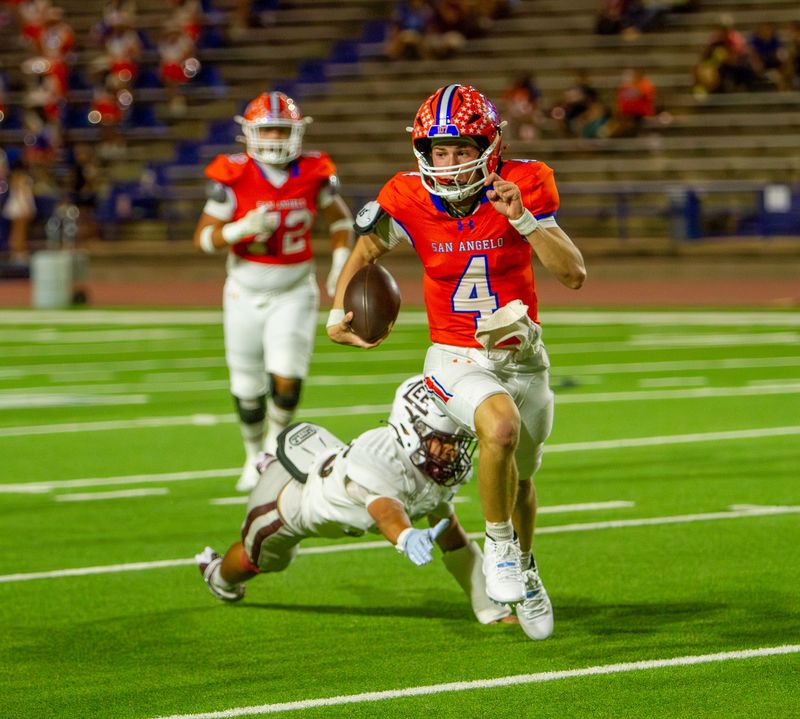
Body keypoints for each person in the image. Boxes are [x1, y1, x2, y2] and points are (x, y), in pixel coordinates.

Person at [326, 84, 585, 639]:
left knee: (521, 482)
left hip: (523, 356)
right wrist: (336, 311)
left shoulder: (526, 183)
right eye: (438, 151)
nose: (448, 162)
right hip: (453, 353)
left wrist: (525, 222)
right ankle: (497, 546)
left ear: (489, 146)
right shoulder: (406, 195)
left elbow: (573, 274)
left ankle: (524, 564)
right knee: (500, 426)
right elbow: (366, 250)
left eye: (461, 149)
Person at [196, 375, 535, 634]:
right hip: (285, 503)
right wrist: (404, 536)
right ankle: (218, 578)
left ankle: (487, 606)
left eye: (456, 442)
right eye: (442, 441)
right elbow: (384, 509)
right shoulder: (379, 456)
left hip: (332, 479)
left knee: (446, 526)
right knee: (261, 561)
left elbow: (451, 536)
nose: (451, 452)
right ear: (411, 430)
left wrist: (489, 609)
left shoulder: (430, 467)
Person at [193, 91, 354, 493]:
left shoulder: (314, 172)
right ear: (249, 133)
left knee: (287, 378)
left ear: (297, 131)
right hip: (243, 290)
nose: (275, 138)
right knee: (246, 385)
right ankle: (251, 454)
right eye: (268, 129)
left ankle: (270, 449)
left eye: (282, 129)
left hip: (294, 289)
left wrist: (339, 262)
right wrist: (239, 229)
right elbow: (203, 240)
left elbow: (340, 221)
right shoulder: (231, 178)